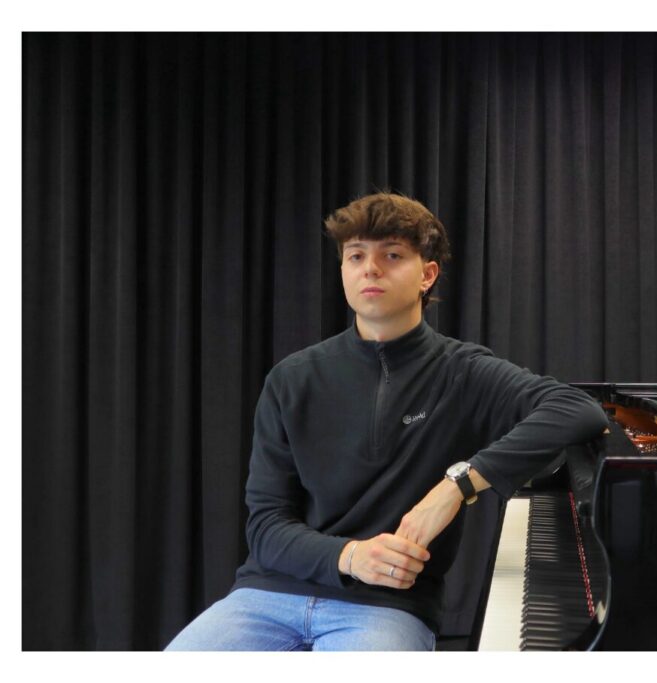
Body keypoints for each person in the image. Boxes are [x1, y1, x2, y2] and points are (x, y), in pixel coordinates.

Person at [165, 193, 608, 651]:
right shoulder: (292, 378)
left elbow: (577, 410)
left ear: (427, 274)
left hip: (387, 608)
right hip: (268, 595)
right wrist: (351, 556)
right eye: (355, 256)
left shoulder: (464, 370)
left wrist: (457, 486)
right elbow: (266, 528)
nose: (370, 269)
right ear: (343, 270)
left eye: (391, 255)